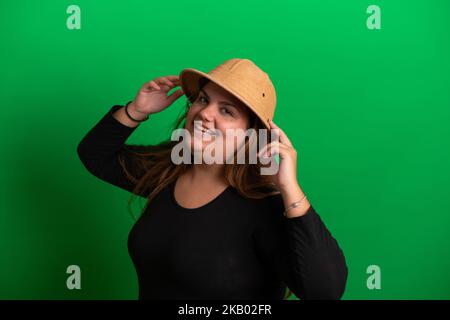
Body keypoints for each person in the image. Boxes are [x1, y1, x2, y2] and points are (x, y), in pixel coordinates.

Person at [77, 58, 348, 300]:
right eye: (204, 100)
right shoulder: (168, 168)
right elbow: (95, 156)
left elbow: (324, 292)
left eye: (227, 111)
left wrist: (289, 187)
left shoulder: (264, 206)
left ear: (251, 132)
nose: (205, 113)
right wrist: (136, 110)